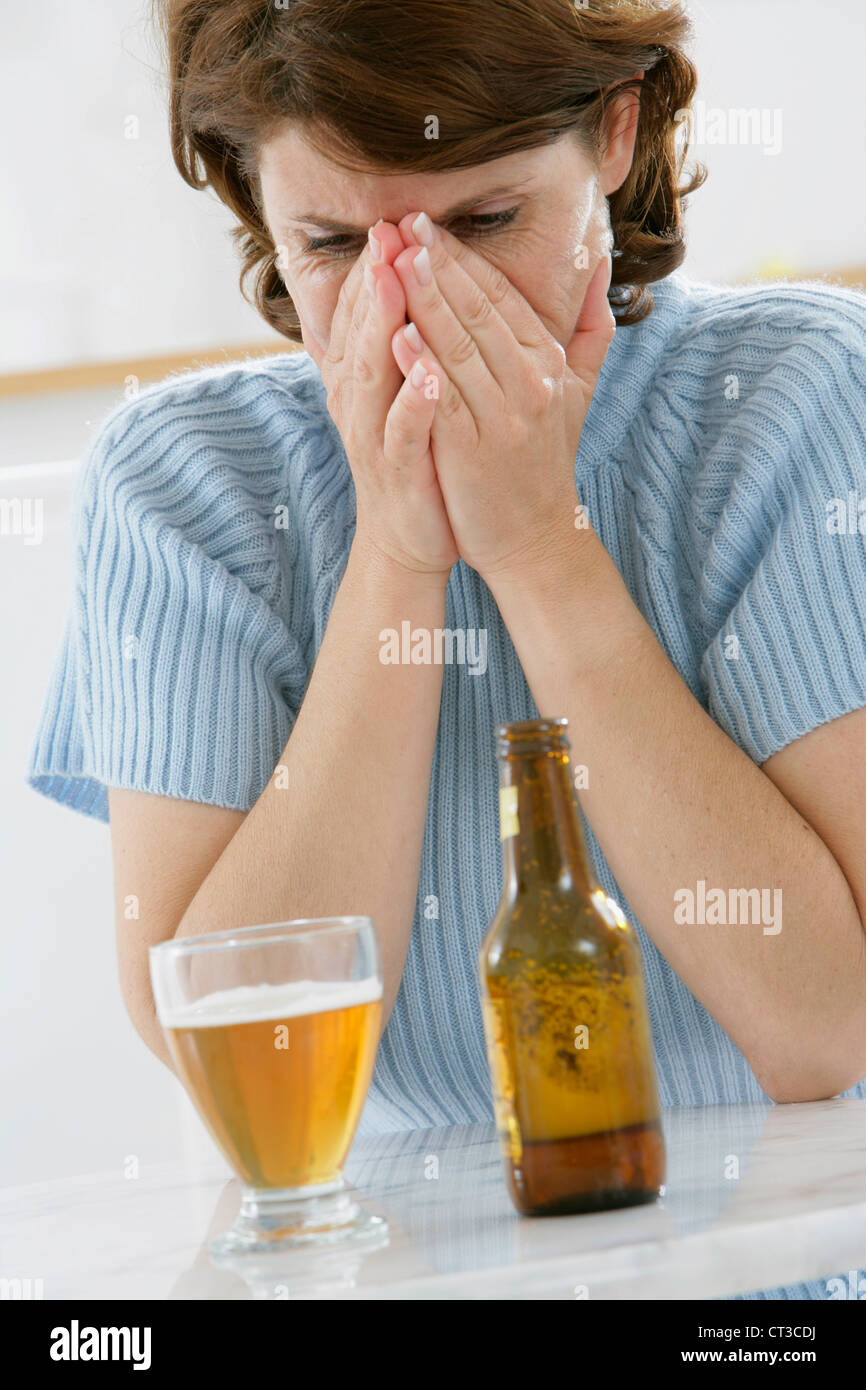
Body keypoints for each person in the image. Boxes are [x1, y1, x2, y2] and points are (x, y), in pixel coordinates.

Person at [27, 0, 866, 1300]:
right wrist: (396, 556)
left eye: (482, 225)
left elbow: (825, 1025)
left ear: (613, 128)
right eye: (328, 242)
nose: (411, 307)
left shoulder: (794, 399)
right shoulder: (183, 482)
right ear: (254, 200)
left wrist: (539, 549)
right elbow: (235, 1044)